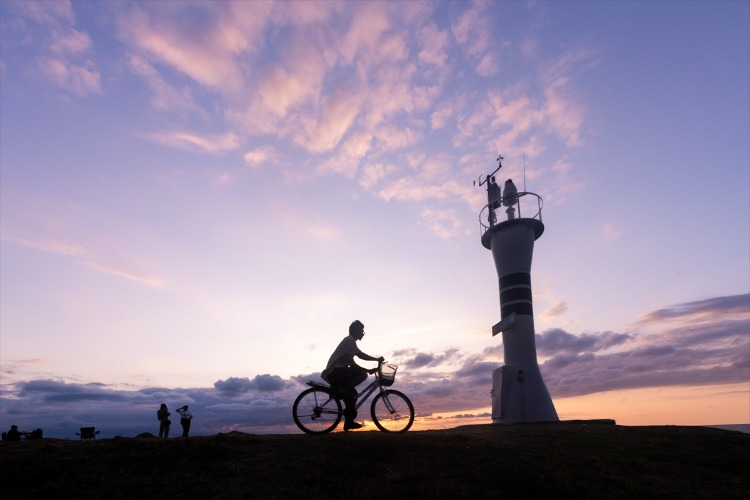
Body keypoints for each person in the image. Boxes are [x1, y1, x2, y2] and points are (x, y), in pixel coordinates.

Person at [321, 320, 384, 431]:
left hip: (337, 373)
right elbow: (360, 355)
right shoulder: (349, 340)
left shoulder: (349, 344)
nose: (363, 333)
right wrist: (376, 359)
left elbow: (353, 365)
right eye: (361, 330)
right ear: (356, 330)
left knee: (353, 395)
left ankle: (348, 422)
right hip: (336, 372)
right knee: (363, 375)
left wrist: (367, 369)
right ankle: (343, 391)